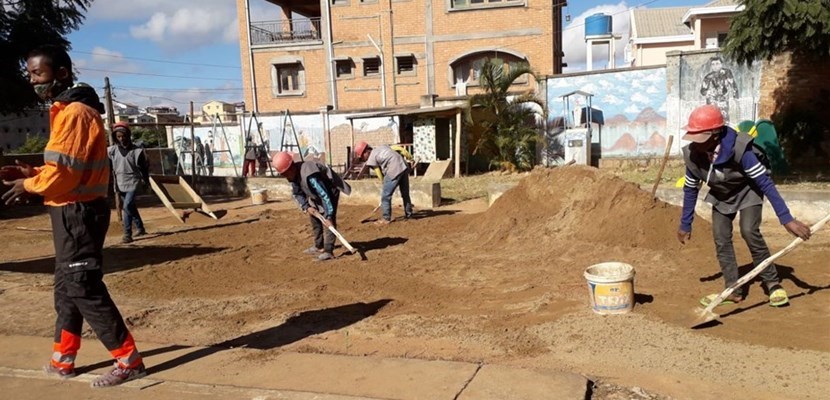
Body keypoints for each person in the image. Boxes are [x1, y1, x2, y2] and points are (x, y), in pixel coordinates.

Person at [1, 45, 145, 387]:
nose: (32, 80)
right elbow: (64, 168)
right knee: (67, 288)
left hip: (78, 213)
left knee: (82, 284)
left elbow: (65, 174)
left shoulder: (75, 112)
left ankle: (129, 361)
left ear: (62, 73)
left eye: (38, 73)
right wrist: (34, 171)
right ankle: (63, 358)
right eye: (30, 74)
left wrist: (30, 184)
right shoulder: (65, 110)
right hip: (69, 210)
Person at [677, 104, 811, 307]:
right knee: (721, 237)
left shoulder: (740, 148)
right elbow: (690, 189)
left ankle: (773, 284)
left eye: (700, 137)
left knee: (749, 231)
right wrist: (686, 223)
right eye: (693, 136)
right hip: (722, 195)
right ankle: (732, 289)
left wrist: (786, 219)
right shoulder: (693, 155)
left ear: (715, 134)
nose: (695, 143)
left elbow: (765, 183)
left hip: (748, 191)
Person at [272, 151, 351, 261]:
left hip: (329, 192)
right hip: (314, 194)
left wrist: (328, 215)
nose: (285, 177)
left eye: (285, 173)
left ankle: (328, 250)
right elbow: (297, 194)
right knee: (314, 217)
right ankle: (319, 246)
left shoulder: (310, 175)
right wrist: (306, 206)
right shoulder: (293, 177)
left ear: (291, 168)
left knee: (328, 222)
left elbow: (324, 194)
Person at [108, 121, 149, 244]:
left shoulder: (137, 151)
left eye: (123, 136)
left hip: (133, 181)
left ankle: (127, 233)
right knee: (130, 206)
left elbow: (144, 168)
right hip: (119, 182)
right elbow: (109, 167)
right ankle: (140, 228)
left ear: (128, 135)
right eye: (118, 136)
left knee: (126, 206)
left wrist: (146, 181)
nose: (121, 139)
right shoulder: (111, 151)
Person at [354, 141, 413, 224]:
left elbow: (377, 171)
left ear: (366, 152)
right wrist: (410, 157)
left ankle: (386, 218)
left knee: (385, 196)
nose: (363, 159)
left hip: (393, 168)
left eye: (362, 157)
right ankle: (409, 214)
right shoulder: (382, 147)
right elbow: (400, 149)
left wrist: (384, 182)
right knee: (405, 193)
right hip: (403, 166)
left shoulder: (371, 158)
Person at [700, 56, 738, 122]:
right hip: (712, 103)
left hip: (723, 102)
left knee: (724, 120)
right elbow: (702, 91)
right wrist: (708, 92)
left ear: (721, 64)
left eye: (717, 64)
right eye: (713, 64)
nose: (715, 66)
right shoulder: (708, 77)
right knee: (712, 121)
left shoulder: (727, 73)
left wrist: (735, 98)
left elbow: (733, 85)